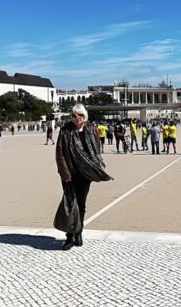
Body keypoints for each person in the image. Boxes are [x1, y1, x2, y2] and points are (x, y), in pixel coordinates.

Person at [55, 104, 113, 251]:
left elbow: (96, 149)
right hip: (70, 174)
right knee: (70, 204)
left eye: (79, 115)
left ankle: (79, 232)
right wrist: (65, 174)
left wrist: (98, 165)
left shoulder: (91, 129)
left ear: (84, 116)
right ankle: (69, 236)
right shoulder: (65, 130)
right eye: (74, 115)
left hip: (85, 174)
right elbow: (60, 153)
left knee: (81, 204)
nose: (76, 118)